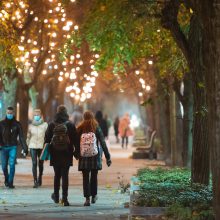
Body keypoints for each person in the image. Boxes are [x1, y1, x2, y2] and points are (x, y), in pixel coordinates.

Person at [44, 105, 79, 206]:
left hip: (55, 153)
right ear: (66, 112)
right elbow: (75, 139)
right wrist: (76, 153)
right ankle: (65, 199)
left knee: (57, 175)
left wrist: (46, 152)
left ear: (57, 112)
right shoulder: (70, 124)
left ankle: (56, 196)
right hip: (67, 153)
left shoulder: (51, 124)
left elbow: (46, 139)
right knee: (65, 176)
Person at [77, 111, 112, 206]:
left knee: (85, 177)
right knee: (94, 176)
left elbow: (76, 143)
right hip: (94, 156)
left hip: (83, 157)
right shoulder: (96, 127)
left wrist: (76, 154)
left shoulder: (80, 128)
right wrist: (108, 157)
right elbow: (103, 142)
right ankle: (94, 196)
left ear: (84, 117)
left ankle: (87, 199)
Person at [0, 106, 28, 188]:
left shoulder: (17, 124)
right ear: (6, 113)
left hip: (13, 147)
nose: (9, 114)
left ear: (13, 113)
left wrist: (25, 148)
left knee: (12, 165)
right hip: (3, 147)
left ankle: (10, 182)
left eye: (11, 113)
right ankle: (6, 179)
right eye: (8, 113)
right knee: (4, 166)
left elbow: (21, 137)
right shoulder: (1, 123)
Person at [27, 109, 48, 188]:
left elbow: (47, 136)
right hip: (32, 146)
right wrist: (27, 146)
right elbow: (28, 137)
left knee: (40, 163)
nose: (36, 116)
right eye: (35, 115)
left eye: (38, 115)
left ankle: (40, 177)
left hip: (41, 146)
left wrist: (47, 146)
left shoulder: (45, 125)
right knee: (34, 163)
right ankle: (35, 181)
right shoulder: (31, 125)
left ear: (41, 115)